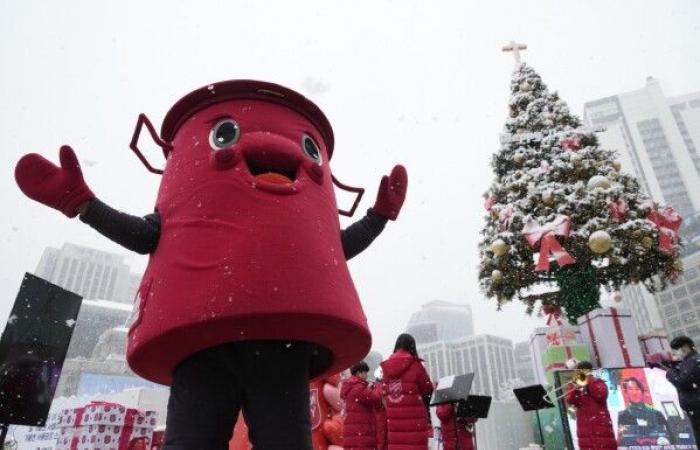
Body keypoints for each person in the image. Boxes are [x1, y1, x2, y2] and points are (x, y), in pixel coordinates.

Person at [14, 80, 408, 450]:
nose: (279, 148)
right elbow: (142, 234)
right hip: (222, 343)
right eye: (223, 134)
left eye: (308, 146)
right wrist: (82, 204)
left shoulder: (307, 229)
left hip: (254, 344)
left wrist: (378, 217)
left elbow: (335, 250)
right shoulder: (186, 211)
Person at [380, 334, 434, 450]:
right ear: (412, 347)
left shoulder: (386, 368)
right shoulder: (415, 365)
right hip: (415, 423)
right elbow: (427, 389)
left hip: (394, 424)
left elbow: (384, 395)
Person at [565, 361, 617, 450]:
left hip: (603, 435)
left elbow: (601, 394)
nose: (581, 374)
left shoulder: (598, 382)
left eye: (583, 371)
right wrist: (574, 387)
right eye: (579, 372)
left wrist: (589, 380)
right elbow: (571, 400)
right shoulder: (577, 387)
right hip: (585, 437)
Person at [616, 376, 671, 446]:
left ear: (642, 391)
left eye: (637, 389)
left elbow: (670, 438)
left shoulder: (657, 414)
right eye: (630, 389)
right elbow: (622, 442)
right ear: (626, 393)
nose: (634, 393)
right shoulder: (622, 416)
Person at [341, 361, 383, 450]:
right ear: (359, 373)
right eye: (365, 373)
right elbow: (376, 397)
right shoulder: (358, 388)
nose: (367, 376)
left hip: (353, 434)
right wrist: (378, 386)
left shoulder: (350, 386)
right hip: (361, 434)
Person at [666, 335, 700, 443]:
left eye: (675, 350)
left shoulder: (694, 361)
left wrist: (669, 372)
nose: (674, 353)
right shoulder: (690, 361)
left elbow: (681, 381)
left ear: (685, 348)